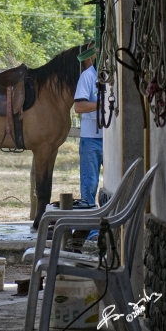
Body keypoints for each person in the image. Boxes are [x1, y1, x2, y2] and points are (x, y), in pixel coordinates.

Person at [74, 45, 103, 210]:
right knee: (90, 184)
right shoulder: (87, 77)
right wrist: (102, 104)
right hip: (91, 138)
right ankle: (92, 231)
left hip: (112, 139)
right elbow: (79, 107)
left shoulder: (114, 76)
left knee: (115, 185)